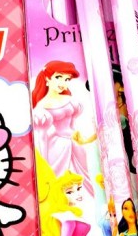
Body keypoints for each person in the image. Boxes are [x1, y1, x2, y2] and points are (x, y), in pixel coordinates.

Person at [32, 60, 94, 191]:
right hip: (57, 147)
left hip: (76, 145)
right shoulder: (41, 107)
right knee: (60, 182)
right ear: (47, 78)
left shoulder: (70, 100)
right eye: (58, 77)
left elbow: (74, 126)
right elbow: (41, 138)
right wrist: (43, 166)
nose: (63, 83)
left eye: (67, 79)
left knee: (84, 181)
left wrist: (81, 139)